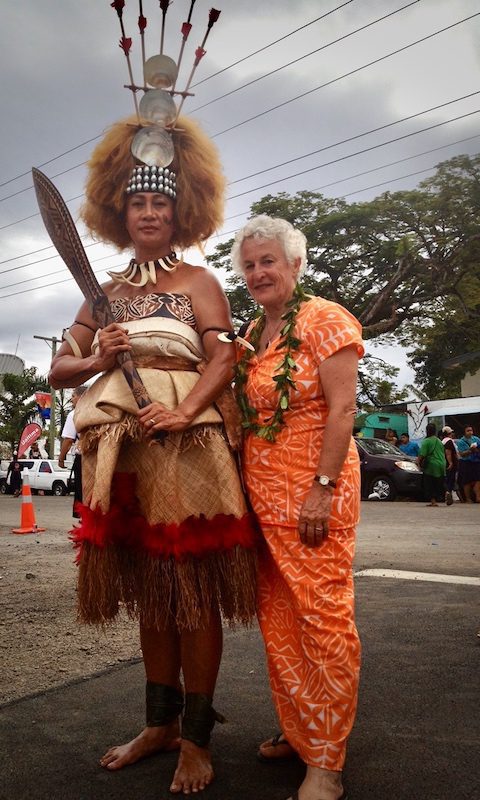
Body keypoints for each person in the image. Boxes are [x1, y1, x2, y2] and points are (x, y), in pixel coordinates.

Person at [48, 114, 258, 794]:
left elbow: (224, 356)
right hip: (124, 455)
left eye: (158, 203)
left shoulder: (199, 282)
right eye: (137, 202)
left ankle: (196, 740)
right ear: (121, 212)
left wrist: (187, 408)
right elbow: (58, 369)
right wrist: (96, 358)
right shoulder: (102, 294)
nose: (147, 212)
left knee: (192, 591)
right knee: (153, 595)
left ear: (179, 212)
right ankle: (159, 725)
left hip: (191, 449)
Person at [231, 215, 364, 800]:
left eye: (269, 261)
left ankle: (327, 764)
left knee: (322, 617)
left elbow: (342, 410)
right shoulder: (255, 331)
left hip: (314, 496)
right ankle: (301, 730)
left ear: (296, 264)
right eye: (250, 264)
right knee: (280, 619)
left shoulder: (325, 319)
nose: (259, 272)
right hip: (263, 501)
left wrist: (323, 487)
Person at [58, 385, 88, 518]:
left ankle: (85, 522)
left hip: (83, 459)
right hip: (102, 457)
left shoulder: (75, 414)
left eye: (73, 396)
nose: (71, 399)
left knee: (82, 491)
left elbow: (69, 439)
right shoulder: (99, 410)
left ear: (81, 397)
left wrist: (61, 458)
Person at [418, 424, 446, 506]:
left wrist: (418, 463)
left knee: (429, 483)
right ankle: (447, 493)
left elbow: (422, 454)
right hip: (442, 463)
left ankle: (433, 501)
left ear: (427, 431)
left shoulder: (426, 441)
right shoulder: (439, 441)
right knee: (440, 482)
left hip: (432, 464)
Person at [456, 424, 480, 503]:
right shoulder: (461, 441)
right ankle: (468, 498)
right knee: (467, 481)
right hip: (466, 462)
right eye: (468, 431)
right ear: (464, 432)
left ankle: (478, 496)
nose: (470, 432)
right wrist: (470, 450)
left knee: (478, 479)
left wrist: (476, 450)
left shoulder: (476, 439)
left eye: (471, 430)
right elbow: (462, 454)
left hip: (476, 461)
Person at [441, 426, 458, 506]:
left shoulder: (442, 441)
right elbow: (448, 453)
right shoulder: (449, 442)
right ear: (449, 433)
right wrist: (450, 462)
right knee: (450, 479)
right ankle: (448, 493)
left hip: (444, 463)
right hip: (450, 464)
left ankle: (448, 494)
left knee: (447, 479)